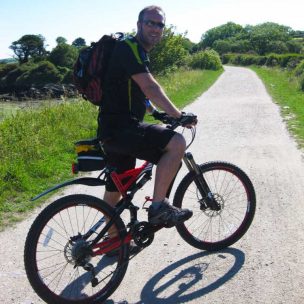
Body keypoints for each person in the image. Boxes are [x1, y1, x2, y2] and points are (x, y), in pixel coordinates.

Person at [98, 5, 197, 233]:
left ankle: (111, 242)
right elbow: (149, 86)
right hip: (123, 128)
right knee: (176, 144)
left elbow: (134, 91)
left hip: (111, 130)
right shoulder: (129, 47)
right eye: (150, 23)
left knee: (116, 187)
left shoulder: (135, 50)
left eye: (159, 24)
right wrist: (177, 115)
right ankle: (158, 207)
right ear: (139, 25)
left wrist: (155, 112)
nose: (155, 28)